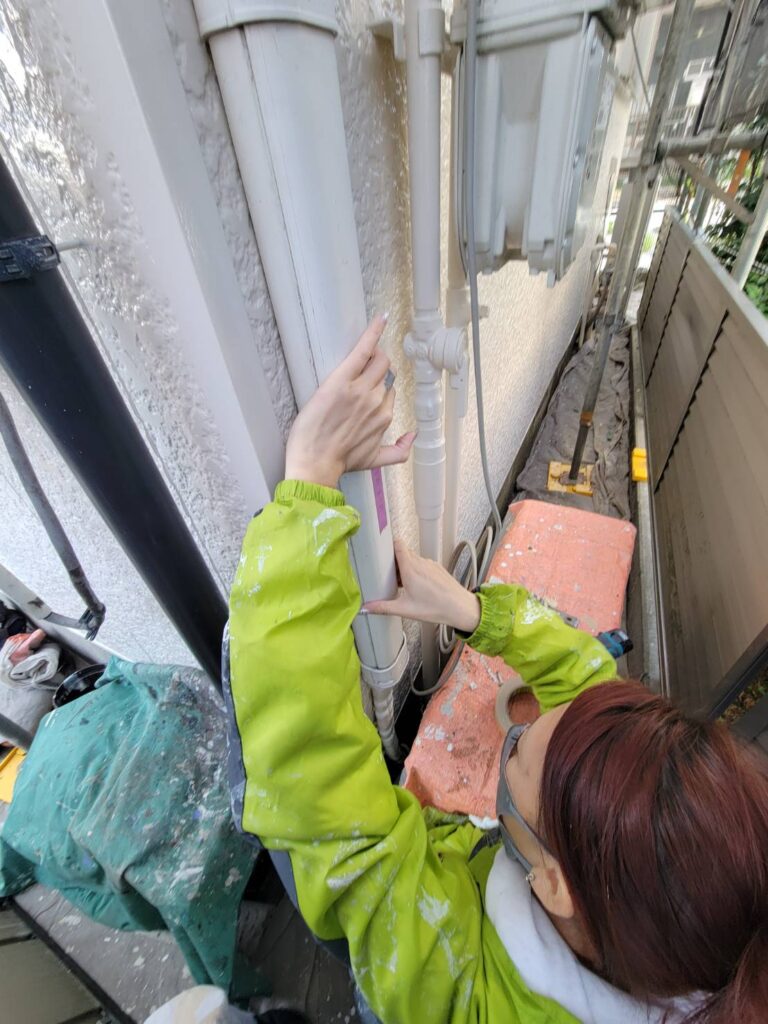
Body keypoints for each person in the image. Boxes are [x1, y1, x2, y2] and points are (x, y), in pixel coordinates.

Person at [227, 317, 768, 1024]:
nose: (522, 731)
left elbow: (324, 798)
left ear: (552, 883)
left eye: (517, 749)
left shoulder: (456, 989)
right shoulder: (685, 932)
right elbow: (587, 677)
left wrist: (308, 490)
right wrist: (472, 611)